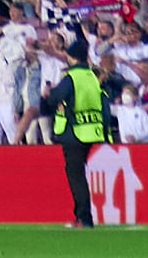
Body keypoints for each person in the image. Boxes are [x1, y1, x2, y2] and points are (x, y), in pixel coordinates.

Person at [37, 32, 110, 229]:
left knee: (75, 174)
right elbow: (103, 102)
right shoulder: (92, 77)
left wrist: (49, 96)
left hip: (74, 131)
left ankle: (84, 218)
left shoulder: (72, 77)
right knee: (78, 172)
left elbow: (55, 98)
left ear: (71, 57)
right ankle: (82, 216)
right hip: (91, 130)